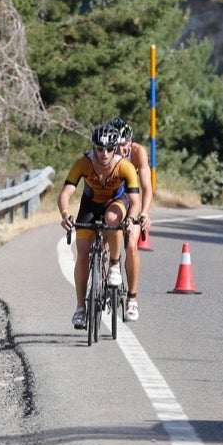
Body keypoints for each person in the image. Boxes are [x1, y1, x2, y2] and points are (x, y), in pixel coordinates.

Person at [58, 123, 143, 330]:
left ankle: (114, 265)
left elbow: (135, 199)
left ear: (115, 149)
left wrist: (131, 220)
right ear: (93, 148)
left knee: (112, 218)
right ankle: (80, 308)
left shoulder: (125, 166)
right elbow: (65, 193)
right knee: (83, 252)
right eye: (99, 149)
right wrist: (65, 214)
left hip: (117, 202)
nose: (103, 154)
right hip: (90, 205)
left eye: (108, 149)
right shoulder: (83, 164)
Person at [107, 117, 152, 321]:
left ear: (130, 142)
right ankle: (102, 277)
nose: (120, 149)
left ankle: (132, 299)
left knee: (131, 244)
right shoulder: (106, 152)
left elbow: (147, 187)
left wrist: (144, 213)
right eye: (116, 145)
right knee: (99, 237)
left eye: (124, 144)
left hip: (130, 198)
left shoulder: (137, 153)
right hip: (109, 197)